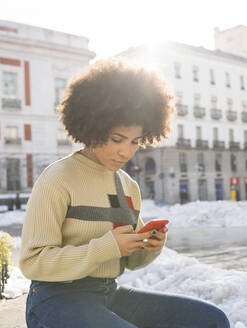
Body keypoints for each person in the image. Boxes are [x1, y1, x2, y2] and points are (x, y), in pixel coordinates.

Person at [20, 60, 230, 328]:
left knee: (211, 319)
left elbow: (131, 261)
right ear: (92, 127)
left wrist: (149, 246)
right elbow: (33, 262)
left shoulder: (128, 185)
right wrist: (106, 247)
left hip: (109, 294)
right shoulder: (58, 178)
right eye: (117, 139)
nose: (126, 152)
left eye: (135, 142)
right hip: (55, 299)